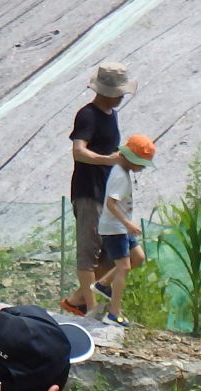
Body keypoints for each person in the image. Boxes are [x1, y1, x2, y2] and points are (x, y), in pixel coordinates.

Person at [62, 63, 137, 317]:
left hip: (107, 191)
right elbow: (78, 150)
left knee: (111, 249)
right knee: (89, 248)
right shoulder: (87, 114)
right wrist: (107, 160)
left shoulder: (112, 115)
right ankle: (91, 307)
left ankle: (78, 299)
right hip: (88, 190)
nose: (121, 97)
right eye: (118, 93)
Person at [97, 135, 155, 328]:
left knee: (137, 257)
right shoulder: (120, 176)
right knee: (124, 267)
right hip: (115, 228)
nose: (143, 167)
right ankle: (113, 314)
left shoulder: (122, 171)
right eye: (141, 163)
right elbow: (111, 204)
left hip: (122, 227)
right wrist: (128, 224)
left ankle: (103, 283)